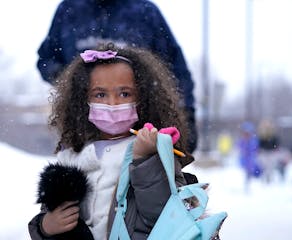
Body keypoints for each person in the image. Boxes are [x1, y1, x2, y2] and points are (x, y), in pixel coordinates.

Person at [28, 43, 198, 240]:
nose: (112, 103)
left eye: (124, 94)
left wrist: (145, 160)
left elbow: (163, 217)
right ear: (82, 100)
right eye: (100, 94)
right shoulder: (71, 155)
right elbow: (48, 214)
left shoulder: (154, 148)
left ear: (143, 98)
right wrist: (45, 227)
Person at [37, 0, 197, 153]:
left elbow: (176, 72)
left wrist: (186, 118)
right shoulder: (68, 10)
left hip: (139, 134)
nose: (111, 104)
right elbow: (46, 60)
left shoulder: (146, 12)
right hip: (82, 131)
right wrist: (75, 82)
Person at [237, 121, 260, 193]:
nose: (246, 134)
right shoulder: (242, 140)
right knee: (246, 172)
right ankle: (246, 185)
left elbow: (255, 149)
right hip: (245, 160)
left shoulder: (253, 140)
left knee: (250, 172)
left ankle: (249, 185)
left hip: (251, 160)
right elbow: (239, 147)